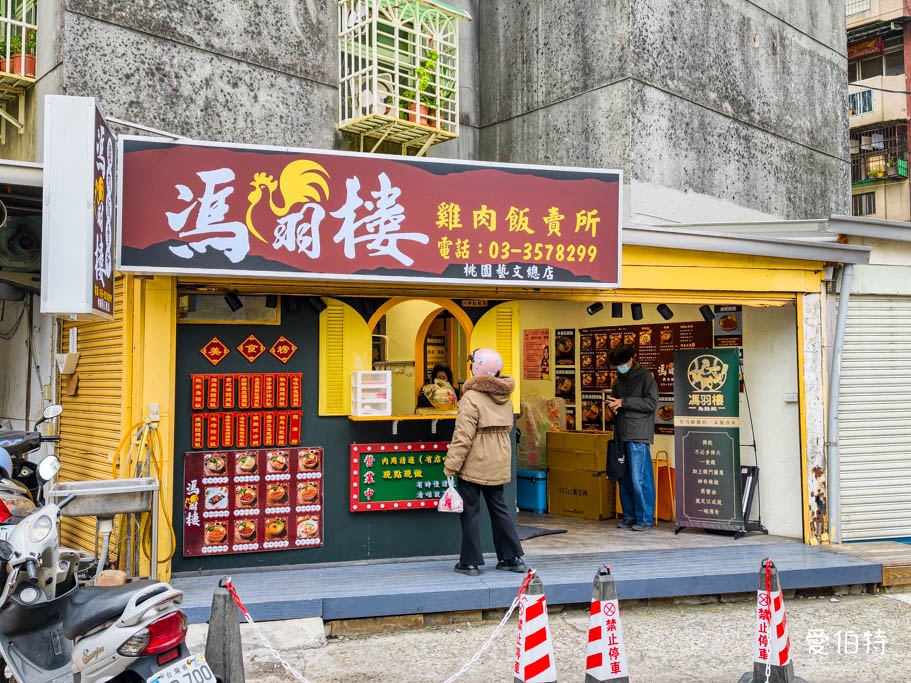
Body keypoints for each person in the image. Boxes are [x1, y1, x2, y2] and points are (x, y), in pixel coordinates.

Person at [443, 348, 526, 576]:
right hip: (498, 460)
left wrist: (451, 466)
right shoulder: (505, 397)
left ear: (476, 368)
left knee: (470, 512)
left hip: (474, 461)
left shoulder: (471, 397)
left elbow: (463, 436)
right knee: (500, 509)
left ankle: (470, 563)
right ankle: (513, 558)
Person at [606, 344, 659, 532]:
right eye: (617, 365)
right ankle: (629, 515)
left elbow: (652, 403)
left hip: (638, 434)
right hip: (621, 432)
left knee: (640, 478)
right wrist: (613, 406)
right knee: (624, 477)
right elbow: (616, 400)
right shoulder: (618, 380)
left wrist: (624, 402)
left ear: (631, 359)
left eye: (622, 363)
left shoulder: (645, 377)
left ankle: (645, 518)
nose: (620, 367)